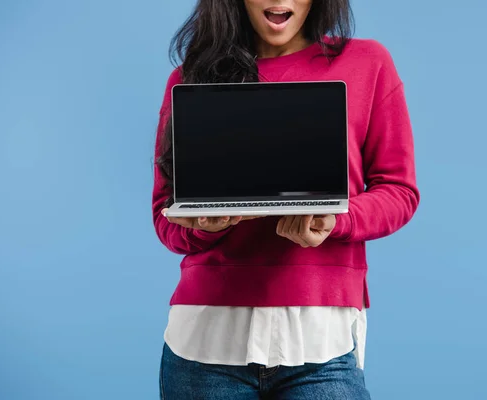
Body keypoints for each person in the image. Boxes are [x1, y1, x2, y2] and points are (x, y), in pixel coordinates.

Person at [152, 0, 419, 398]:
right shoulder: (188, 77)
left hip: (320, 341)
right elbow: (164, 216)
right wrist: (205, 228)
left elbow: (399, 191)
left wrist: (335, 220)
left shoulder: (368, 63)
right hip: (203, 345)